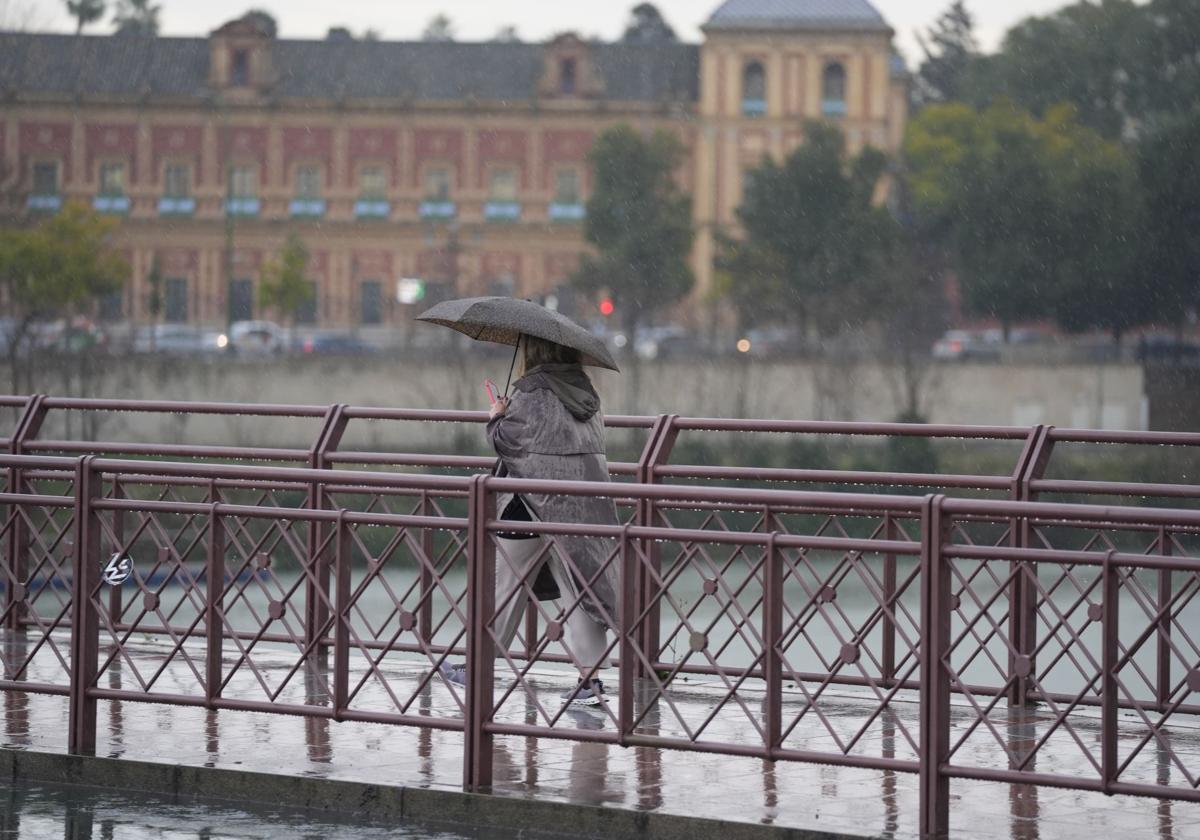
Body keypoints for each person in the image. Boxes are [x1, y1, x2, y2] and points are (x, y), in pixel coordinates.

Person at [441, 334, 620, 707]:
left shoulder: (532, 389)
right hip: (582, 503)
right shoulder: (585, 392)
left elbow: (512, 443)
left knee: (503, 586)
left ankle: (478, 670)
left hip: (531, 502)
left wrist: (497, 418)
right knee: (578, 592)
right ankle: (590, 681)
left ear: (533, 351)